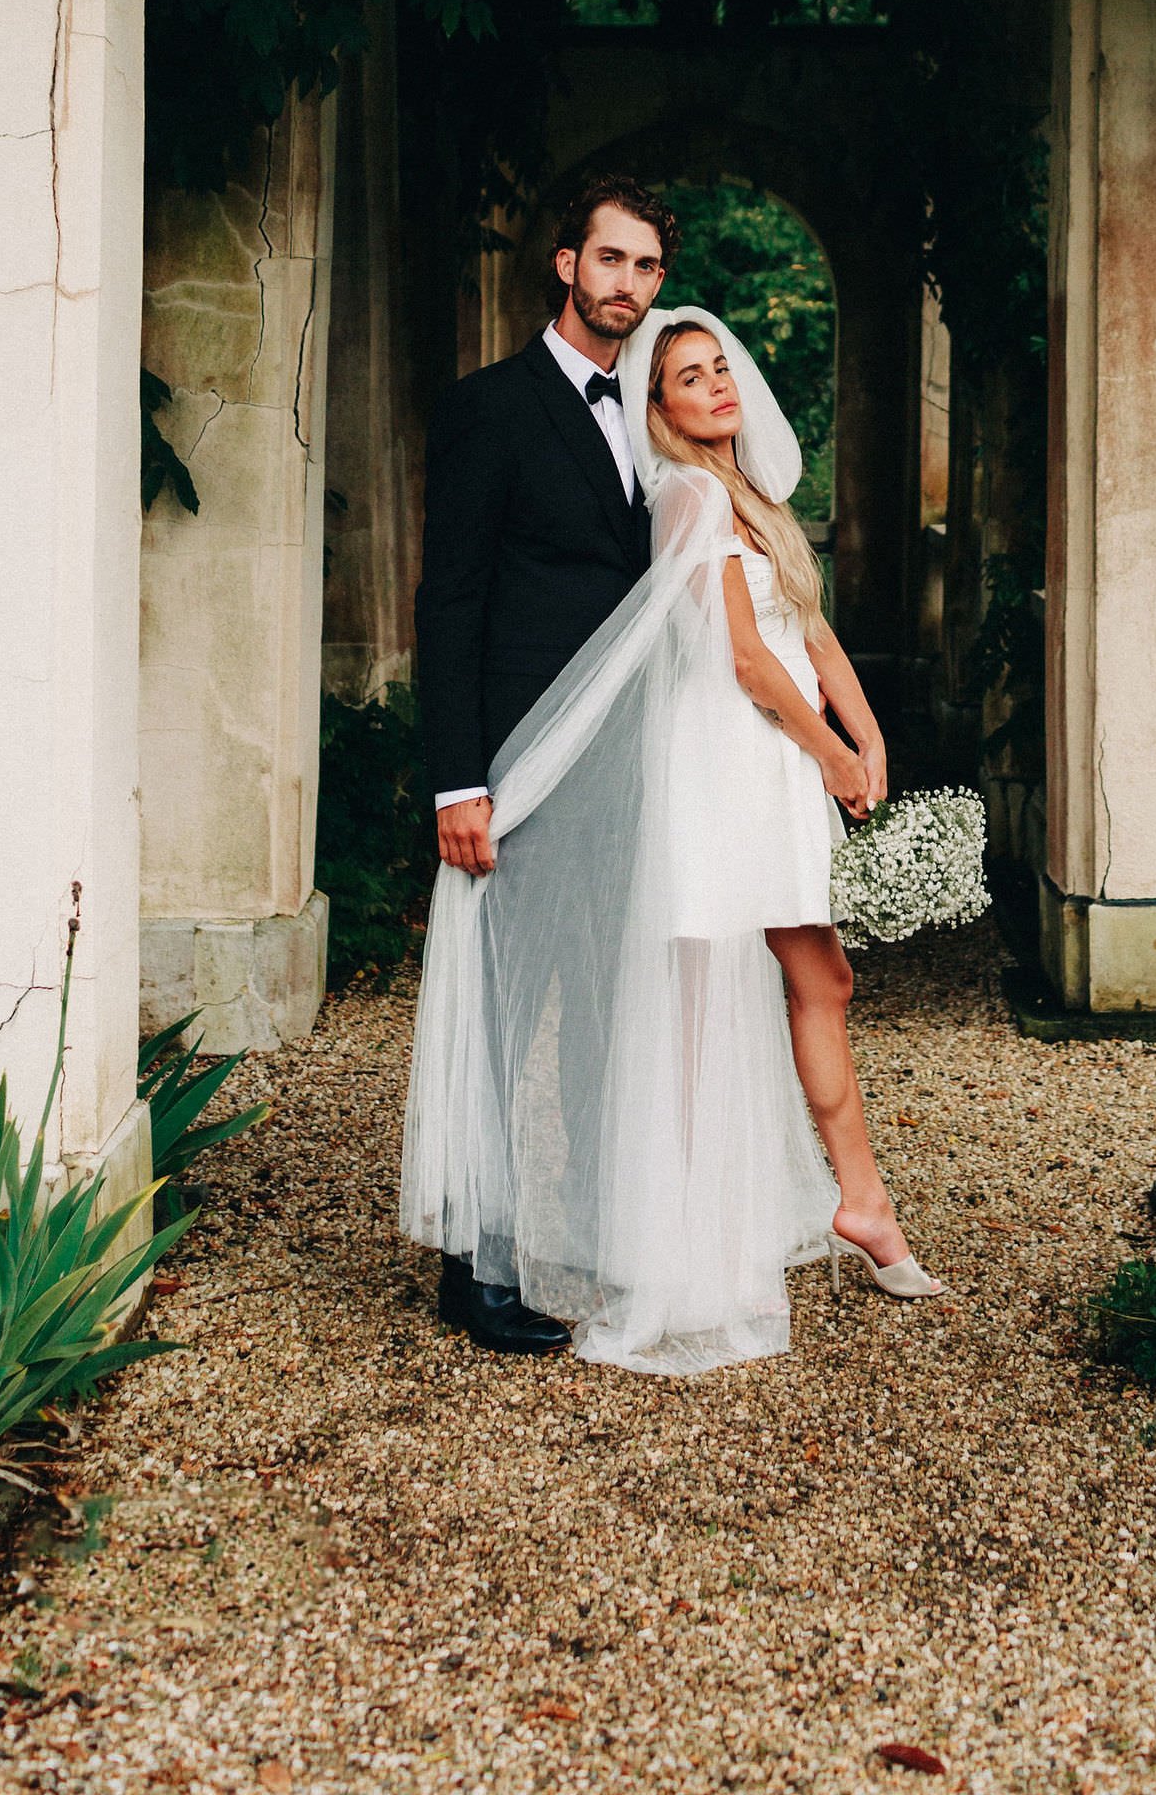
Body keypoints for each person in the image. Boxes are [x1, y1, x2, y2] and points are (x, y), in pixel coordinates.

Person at [401, 304, 945, 1375]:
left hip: (777, 759)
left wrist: (864, 728)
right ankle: (684, 1241)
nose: (713, 386)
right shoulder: (686, 498)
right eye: (687, 377)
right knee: (702, 1006)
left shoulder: (756, 498)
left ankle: (862, 1203)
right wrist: (827, 755)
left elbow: (809, 626)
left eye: (717, 368)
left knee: (821, 978)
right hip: (724, 763)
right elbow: (742, 659)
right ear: (659, 407)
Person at [412, 175, 675, 1354]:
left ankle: (582, 1232)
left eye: (647, 268)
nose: (627, 284)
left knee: (601, 1011)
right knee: (503, 1020)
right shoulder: (489, 407)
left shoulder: (654, 418)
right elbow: (451, 598)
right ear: (564, 265)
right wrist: (456, 781)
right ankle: (483, 1265)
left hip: (623, 772)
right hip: (516, 771)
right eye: (609, 261)